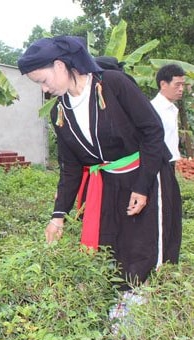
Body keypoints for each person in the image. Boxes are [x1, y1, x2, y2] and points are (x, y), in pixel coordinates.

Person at [17, 36, 182, 320]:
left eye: (43, 80)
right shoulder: (61, 111)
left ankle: (150, 321)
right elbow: (70, 168)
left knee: (144, 251)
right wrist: (58, 216)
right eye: (38, 85)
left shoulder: (114, 85)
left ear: (60, 65)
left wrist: (142, 188)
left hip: (147, 176)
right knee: (113, 249)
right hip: (108, 184)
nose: (44, 89)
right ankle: (121, 317)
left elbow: (153, 132)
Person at [151, 64, 186, 168]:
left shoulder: (172, 109)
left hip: (170, 162)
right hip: (159, 163)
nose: (181, 89)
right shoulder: (154, 109)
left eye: (182, 85)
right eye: (177, 85)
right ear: (163, 84)